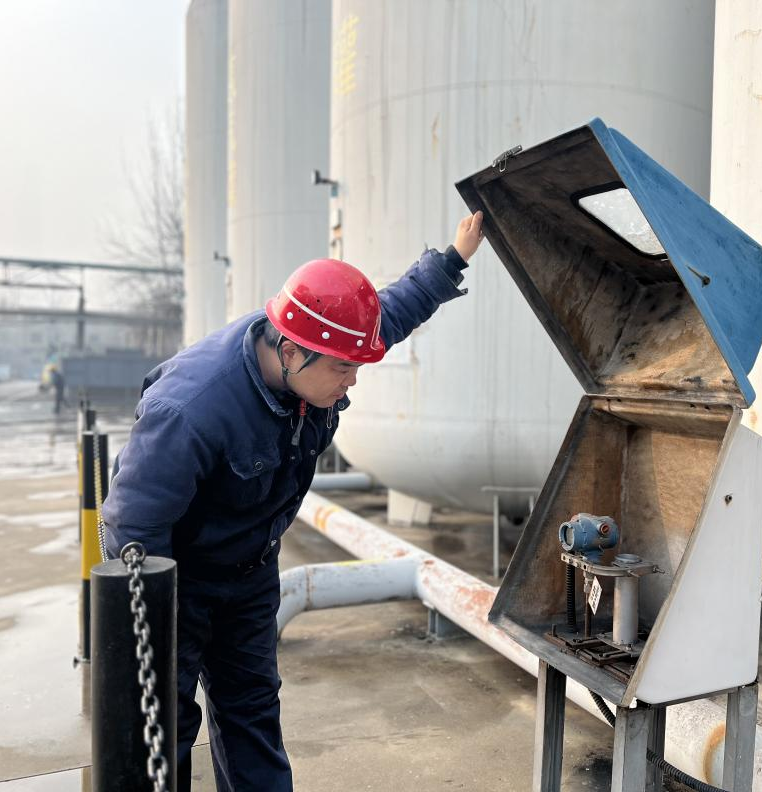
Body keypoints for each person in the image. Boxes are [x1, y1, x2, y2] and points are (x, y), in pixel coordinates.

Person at [102, 211, 484, 792]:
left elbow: (392, 312)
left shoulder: (314, 351)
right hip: (176, 583)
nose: (351, 381)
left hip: (250, 575)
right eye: (343, 368)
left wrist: (453, 258)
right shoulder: (192, 408)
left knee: (252, 712)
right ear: (293, 351)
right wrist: (151, 631)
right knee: (165, 730)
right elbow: (133, 524)